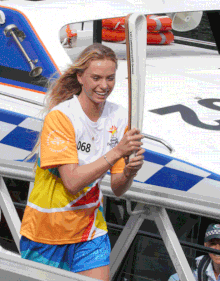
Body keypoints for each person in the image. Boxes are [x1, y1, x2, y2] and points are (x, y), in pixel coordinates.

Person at [19, 43, 145, 280]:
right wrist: (118, 152)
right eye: (96, 78)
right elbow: (72, 181)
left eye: (110, 78)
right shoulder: (61, 117)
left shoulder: (119, 117)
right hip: (46, 233)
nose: (104, 86)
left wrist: (129, 172)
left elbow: (117, 188)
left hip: (90, 232)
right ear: (80, 77)